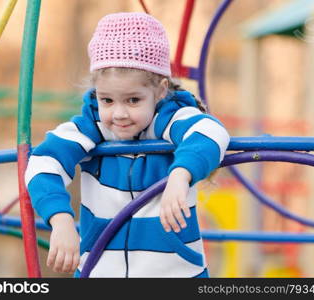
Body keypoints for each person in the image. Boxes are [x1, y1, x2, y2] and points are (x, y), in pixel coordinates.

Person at [25, 12, 230, 278]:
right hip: (99, 271)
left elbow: (211, 131)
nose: (119, 113)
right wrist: (60, 219)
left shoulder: (171, 119)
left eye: (133, 100)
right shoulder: (92, 126)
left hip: (175, 273)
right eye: (107, 100)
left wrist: (180, 175)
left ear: (160, 91)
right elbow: (42, 162)